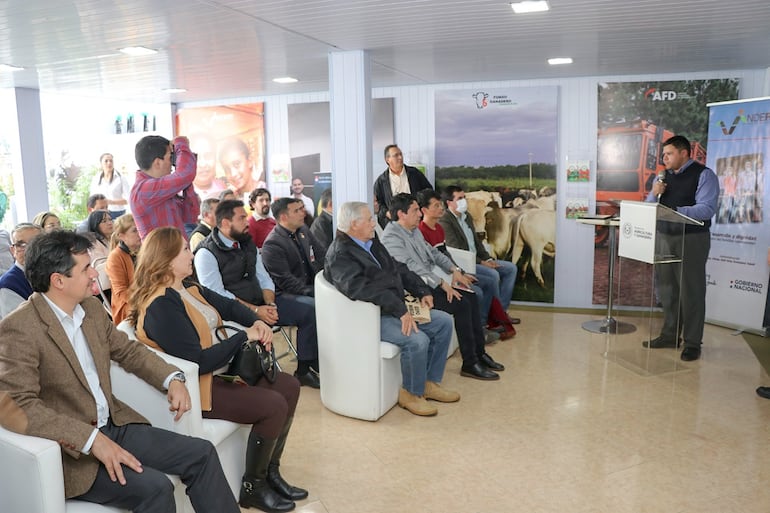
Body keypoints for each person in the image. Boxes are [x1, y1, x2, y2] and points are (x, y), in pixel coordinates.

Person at [0, 230, 239, 513]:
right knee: (155, 489)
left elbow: (128, 351)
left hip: (114, 425)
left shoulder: (90, 308)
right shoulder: (20, 328)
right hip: (71, 452)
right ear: (58, 280)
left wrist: (172, 378)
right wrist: (90, 440)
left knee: (201, 453)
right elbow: (17, 406)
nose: (95, 274)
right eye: (87, 268)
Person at [129, 227, 306, 512]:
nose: (192, 254)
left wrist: (256, 321)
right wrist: (242, 337)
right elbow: (198, 363)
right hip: (199, 388)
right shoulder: (161, 305)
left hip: (219, 373)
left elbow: (229, 306)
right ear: (166, 259)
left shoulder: (188, 288)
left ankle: (271, 471)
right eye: (185, 249)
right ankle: (254, 486)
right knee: (273, 404)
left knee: (289, 386)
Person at [324, 201, 459, 416]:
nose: (374, 223)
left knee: (443, 322)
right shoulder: (340, 255)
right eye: (369, 219)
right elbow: (364, 290)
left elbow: (397, 268)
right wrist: (401, 311)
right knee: (417, 340)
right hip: (371, 316)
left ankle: (428, 383)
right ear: (353, 224)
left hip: (393, 308)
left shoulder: (370, 240)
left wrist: (422, 290)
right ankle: (411, 394)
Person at [195, 200, 320, 389]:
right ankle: (252, 376)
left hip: (263, 303)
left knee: (309, 311)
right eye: (242, 217)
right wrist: (255, 310)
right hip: (232, 311)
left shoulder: (247, 243)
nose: (248, 221)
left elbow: (264, 278)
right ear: (226, 223)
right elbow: (217, 295)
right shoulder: (206, 253)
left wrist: (269, 304)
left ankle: (304, 369)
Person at [381, 193, 504, 380]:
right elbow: (411, 269)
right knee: (462, 303)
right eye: (415, 211)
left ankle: (479, 354)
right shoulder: (391, 238)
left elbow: (433, 253)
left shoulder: (413, 230)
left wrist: (455, 269)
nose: (420, 215)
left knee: (470, 297)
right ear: (401, 214)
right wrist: (441, 283)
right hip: (414, 292)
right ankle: (470, 362)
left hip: (428, 283)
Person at [643, 135, 719, 361]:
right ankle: (670, 335)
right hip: (665, 236)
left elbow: (706, 209)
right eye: (663, 154)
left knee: (691, 291)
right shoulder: (663, 176)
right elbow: (649, 206)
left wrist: (675, 211)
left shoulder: (704, 175)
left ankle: (693, 343)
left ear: (684, 153)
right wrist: (655, 192)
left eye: (669, 154)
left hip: (692, 239)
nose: (664, 158)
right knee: (667, 289)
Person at [416, 189, 513, 342]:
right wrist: (453, 276)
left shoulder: (440, 228)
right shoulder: (422, 232)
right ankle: (480, 331)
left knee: (489, 281)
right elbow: (430, 264)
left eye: (440, 205)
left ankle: (488, 322)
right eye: (436, 206)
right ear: (424, 210)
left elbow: (444, 255)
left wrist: (459, 271)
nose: (441, 208)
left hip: (453, 271)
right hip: (440, 279)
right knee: (478, 291)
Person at [439, 185, 520, 325]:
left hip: (479, 259)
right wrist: (482, 263)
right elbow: (458, 250)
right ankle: (489, 319)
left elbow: (477, 243)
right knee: (493, 275)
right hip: (466, 265)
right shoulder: (445, 221)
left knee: (511, 268)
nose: (464, 201)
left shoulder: (467, 217)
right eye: (459, 198)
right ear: (449, 202)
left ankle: (501, 312)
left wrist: (488, 258)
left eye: (464, 197)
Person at [130, 135, 200, 240]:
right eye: (170, 157)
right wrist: (181, 143)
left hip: (177, 252)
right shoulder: (143, 190)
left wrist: (186, 183)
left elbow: (189, 217)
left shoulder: (161, 190)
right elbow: (186, 174)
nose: (173, 163)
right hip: (163, 255)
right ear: (157, 162)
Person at [262, 197, 326, 299]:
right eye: (296, 211)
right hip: (289, 294)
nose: (302, 213)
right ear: (283, 217)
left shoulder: (303, 230)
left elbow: (321, 254)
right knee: (317, 307)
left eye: (301, 209)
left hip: (312, 286)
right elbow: (285, 281)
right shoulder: (272, 244)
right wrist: (314, 292)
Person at [373, 144, 433, 228]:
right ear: (387, 159)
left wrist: (420, 206)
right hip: (395, 223)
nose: (400, 157)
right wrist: (387, 212)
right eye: (396, 155)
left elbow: (429, 191)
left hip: (417, 221)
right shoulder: (381, 181)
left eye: (401, 154)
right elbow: (378, 203)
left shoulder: (414, 173)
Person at [105, 214, 140, 325]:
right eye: (135, 230)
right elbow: (122, 293)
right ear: (122, 236)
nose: (139, 233)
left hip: (144, 299)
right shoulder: (115, 257)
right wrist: (146, 301)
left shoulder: (143, 250)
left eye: (140, 228)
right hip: (128, 307)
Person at [0, 223, 41, 318]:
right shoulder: (8, 286)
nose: (28, 250)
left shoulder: (52, 274)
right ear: (12, 250)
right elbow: (21, 326)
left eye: (34, 243)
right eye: (21, 245)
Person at [91, 153, 129, 219]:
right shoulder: (96, 179)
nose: (109, 163)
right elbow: (92, 197)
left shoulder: (121, 178)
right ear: (101, 164)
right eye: (106, 161)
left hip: (118, 213)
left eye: (111, 161)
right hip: (100, 213)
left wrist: (111, 202)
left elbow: (128, 199)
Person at [191, 134, 226, 200]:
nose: (203, 164)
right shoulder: (180, 195)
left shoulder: (223, 188)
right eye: (196, 158)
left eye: (208, 156)